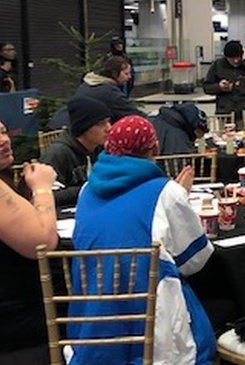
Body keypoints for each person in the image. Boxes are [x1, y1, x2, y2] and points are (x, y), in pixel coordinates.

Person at [70, 116, 216, 363]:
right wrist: (179, 196)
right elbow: (194, 260)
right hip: (152, 332)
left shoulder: (86, 190)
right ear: (154, 149)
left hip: (91, 326)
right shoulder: (165, 192)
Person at [0, 120, 58, 363]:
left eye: (3, 131)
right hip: (20, 336)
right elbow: (42, 242)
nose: (3, 140)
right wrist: (42, 189)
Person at [40, 96, 111, 208]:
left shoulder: (99, 148)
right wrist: (89, 189)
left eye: (108, 122)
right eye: (100, 124)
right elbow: (46, 196)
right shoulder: (58, 154)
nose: (109, 128)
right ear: (83, 127)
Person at [49, 56, 144, 129]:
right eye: (126, 73)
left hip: (63, 126)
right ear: (115, 74)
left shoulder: (88, 84)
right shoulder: (109, 92)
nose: (130, 77)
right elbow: (133, 114)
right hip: (75, 133)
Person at [202, 40, 245, 125]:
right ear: (226, 57)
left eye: (238, 57)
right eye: (232, 59)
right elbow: (206, 87)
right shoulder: (218, 65)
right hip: (225, 113)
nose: (236, 61)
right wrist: (219, 87)